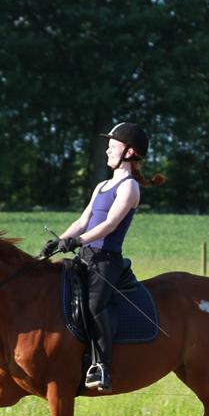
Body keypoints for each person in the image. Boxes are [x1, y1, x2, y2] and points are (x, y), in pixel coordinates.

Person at [39, 122, 165, 391]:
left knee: (95, 306)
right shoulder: (103, 186)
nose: (108, 148)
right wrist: (60, 240)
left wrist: (77, 240)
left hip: (106, 261)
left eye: (113, 144)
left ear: (129, 152)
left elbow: (108, 224)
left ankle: (102, 366)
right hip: (85, 255)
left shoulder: (130, 188)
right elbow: (83, 220)